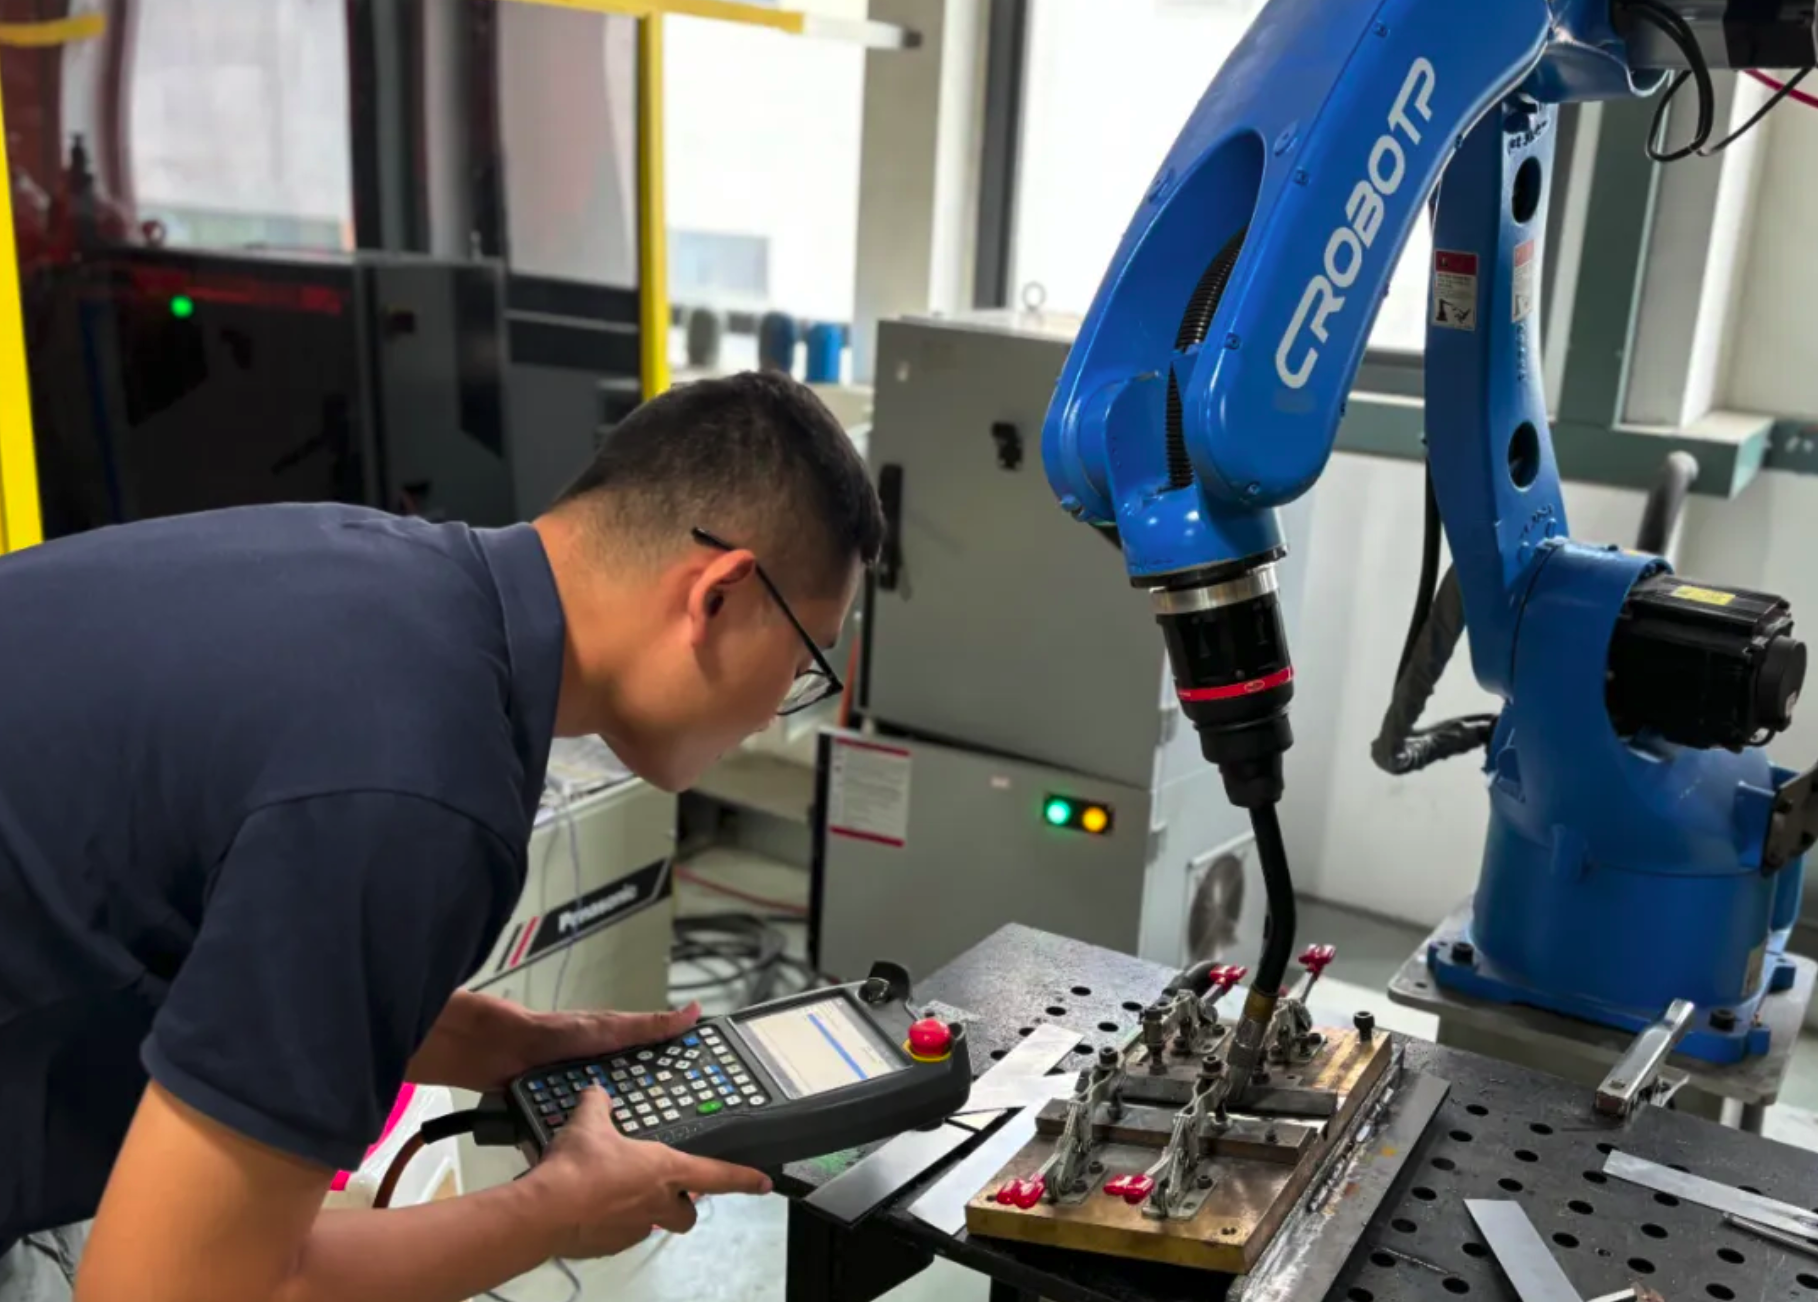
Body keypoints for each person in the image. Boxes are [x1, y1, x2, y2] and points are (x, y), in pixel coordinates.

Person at [0, 371, 883, 1302]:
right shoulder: (423, 788)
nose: (779, 710)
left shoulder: (382, 569)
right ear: (718, 595)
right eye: (803, 663)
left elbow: (211, 920)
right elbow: (168, 1291)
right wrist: (555, 1213)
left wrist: (489, 1041)